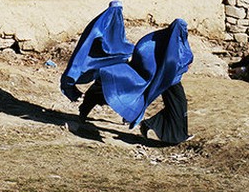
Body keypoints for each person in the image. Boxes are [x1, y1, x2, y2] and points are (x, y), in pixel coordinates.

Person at [63, 11, 193, 145]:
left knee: (178, 104)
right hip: (154, 78)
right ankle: (86, 109)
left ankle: (158, 127)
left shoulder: (174, 42)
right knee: (114, 92)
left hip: (167, 80)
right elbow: (146, 57)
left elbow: (182, 60)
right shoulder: (154, 42)